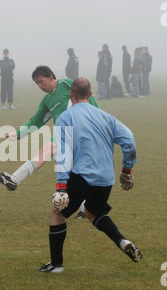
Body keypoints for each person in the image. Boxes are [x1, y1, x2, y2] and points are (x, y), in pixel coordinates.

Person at [38, 78, 141, 273]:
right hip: (105, 179)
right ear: (91, 95)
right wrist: (127, 171)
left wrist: (61, 187)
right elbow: (129, 140)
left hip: (81, 176)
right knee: (93, 212)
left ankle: (56, 265)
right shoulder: (106, 116)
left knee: (57, 213)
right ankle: (122, 241)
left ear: (71, 95)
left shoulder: (66, 117)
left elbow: (64, 153)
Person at [0, 66, 99, 191]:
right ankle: (85, 208)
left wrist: (98, 120)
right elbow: (36, 120)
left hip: (80, 128)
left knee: (49, 152)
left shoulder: (66, 84)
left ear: (51, 77)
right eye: (37, 83)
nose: (40, 86)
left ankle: (14, 180)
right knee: (68, 172)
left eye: (41, 81)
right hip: (65, 133)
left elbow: (88, 98)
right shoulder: (47, 100)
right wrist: (18, 134)